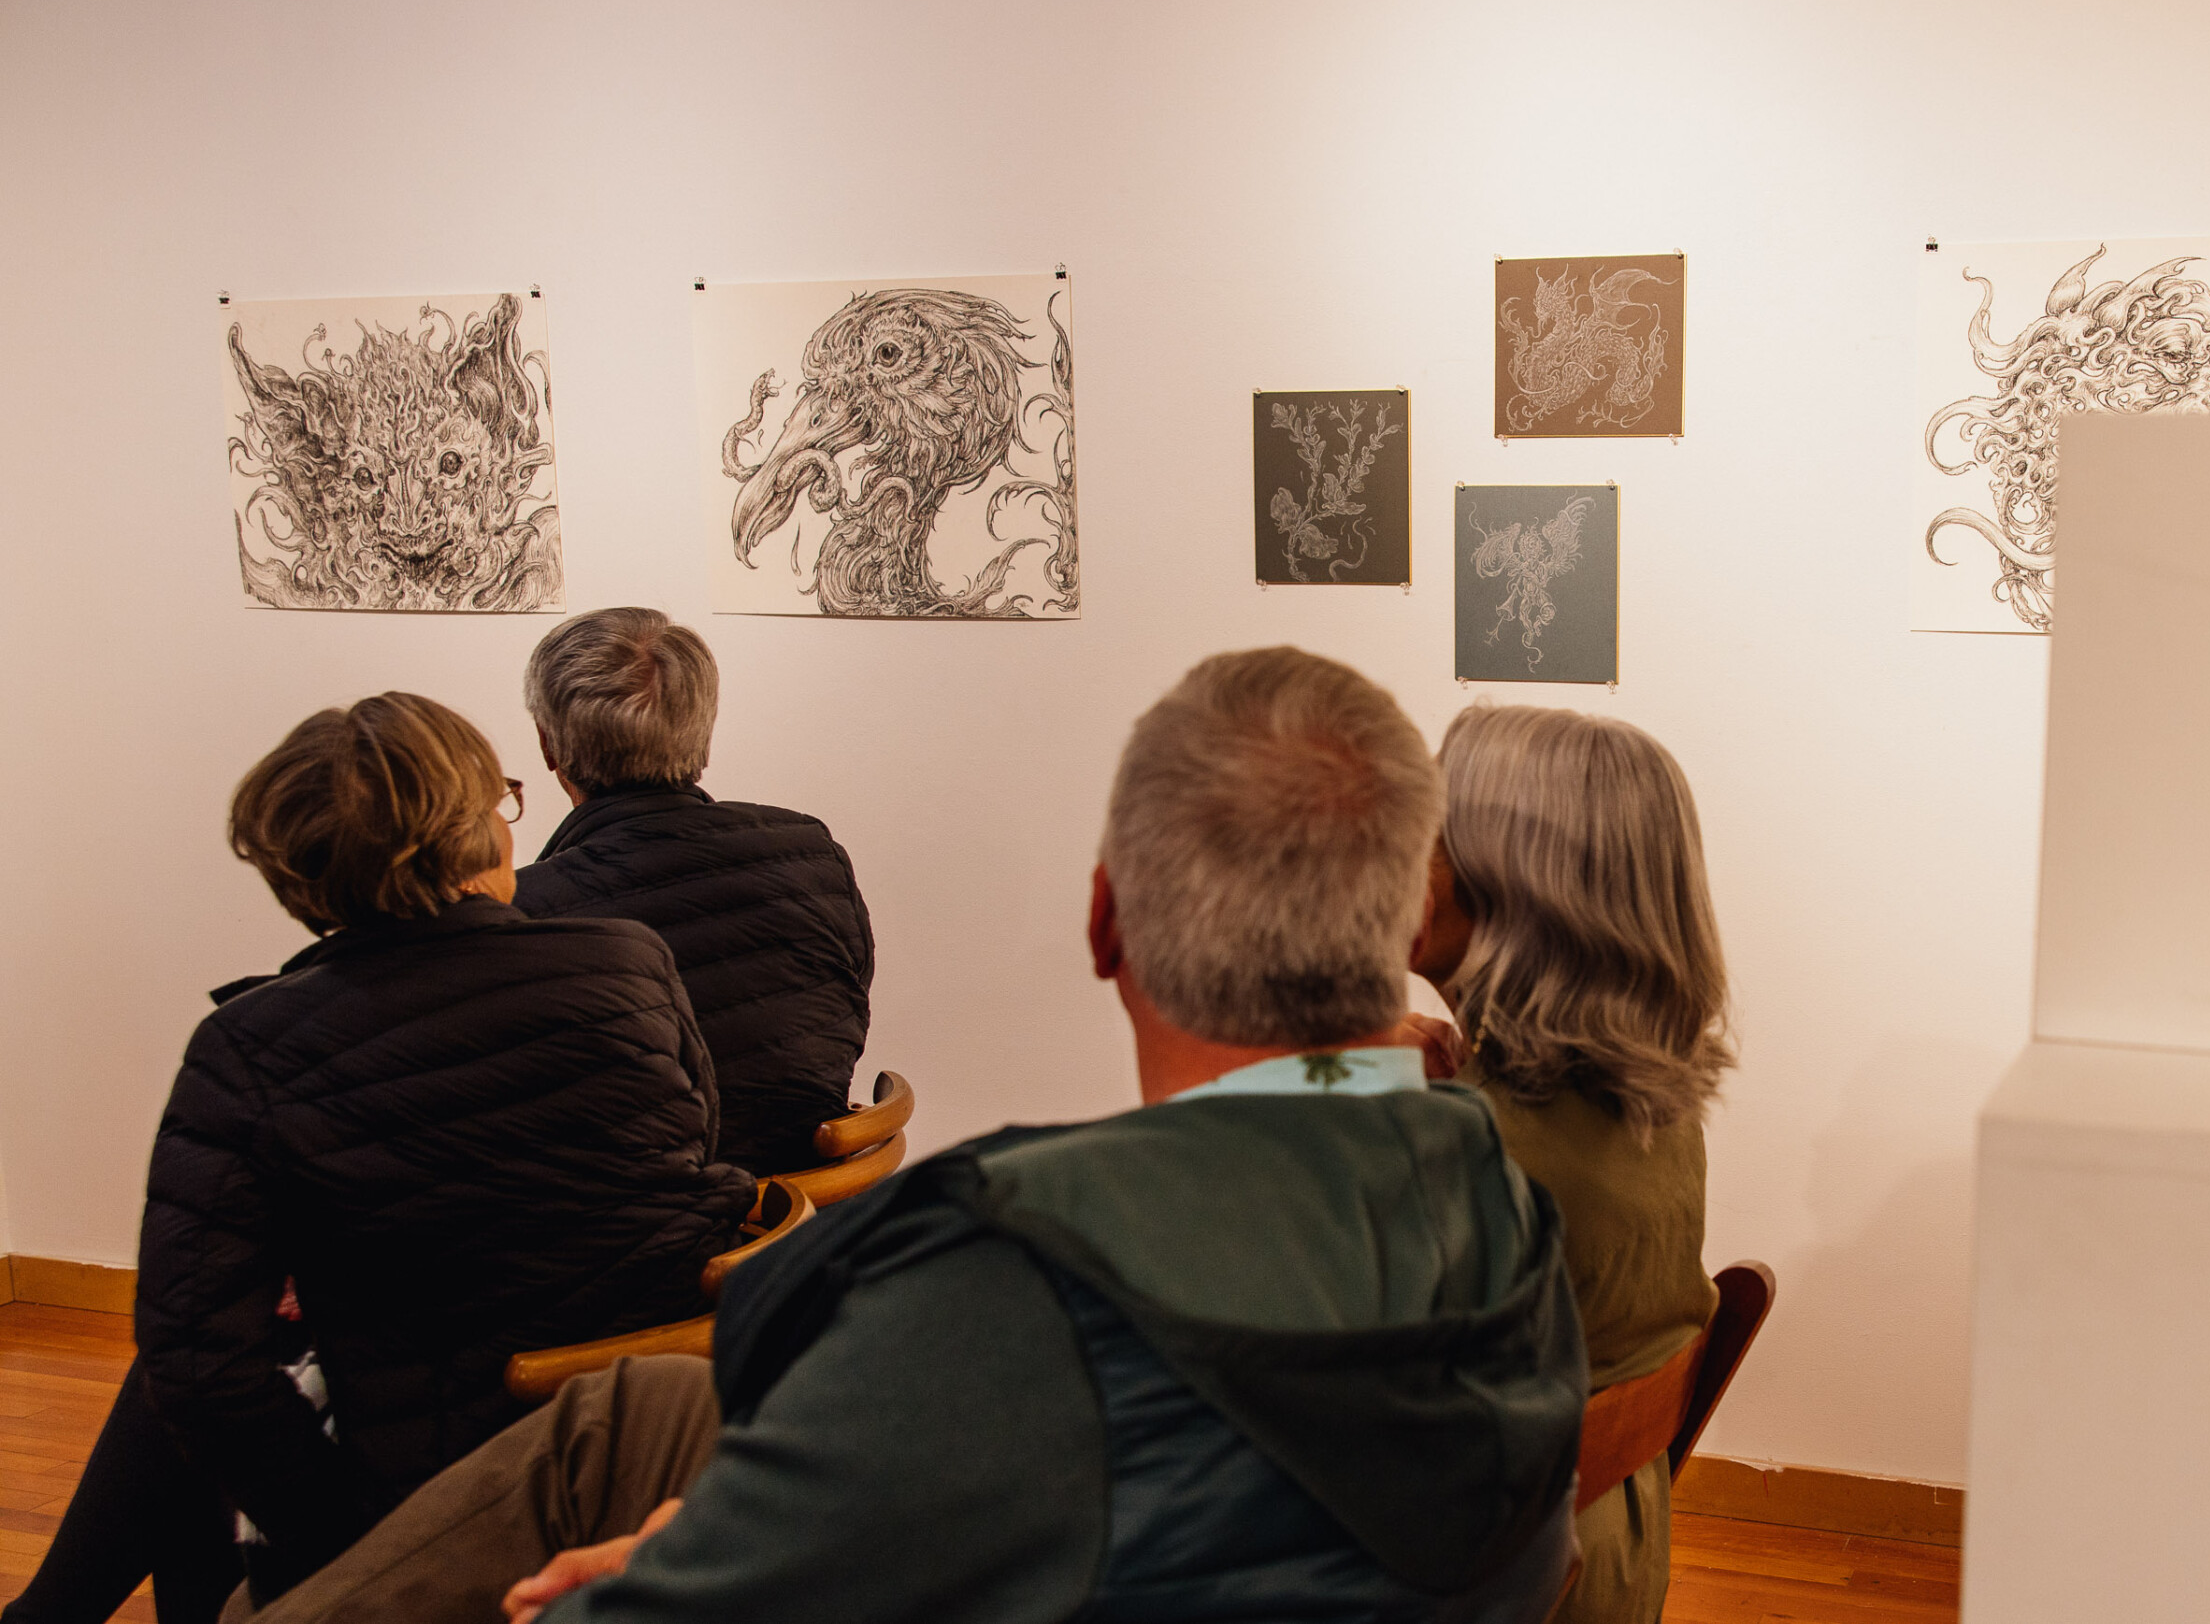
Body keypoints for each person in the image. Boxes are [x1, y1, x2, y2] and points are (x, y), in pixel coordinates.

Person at [225, 647, 1588, 1624]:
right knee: (638, 1415)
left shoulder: (1014, 1270)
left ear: (1105, 922)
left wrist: (674, 1573)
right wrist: (729, 1534)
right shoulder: (1495, 1196)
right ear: (1411, 922)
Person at [4, 695, 759, 1624]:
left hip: (438, 1464)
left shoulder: (250, 1046)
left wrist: (330, 1531)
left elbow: (199, 1372)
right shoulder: (631, 963)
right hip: (631, 1414)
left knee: (196, 1396)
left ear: (297, 870)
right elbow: (694, 1147)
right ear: (479, 834)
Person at [1408, 703, 1736, 1624]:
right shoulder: (1645, 1102)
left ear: (1511, 884)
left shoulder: (1469, 1156)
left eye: (1422, 829)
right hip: (1603, 1562)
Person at [510, 607, 875, 1176]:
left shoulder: (522, 915)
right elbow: (848, 1003)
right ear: (702, 729)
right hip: (807, 1204)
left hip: (648, 1219)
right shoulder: (809, 850)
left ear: (547, 743)